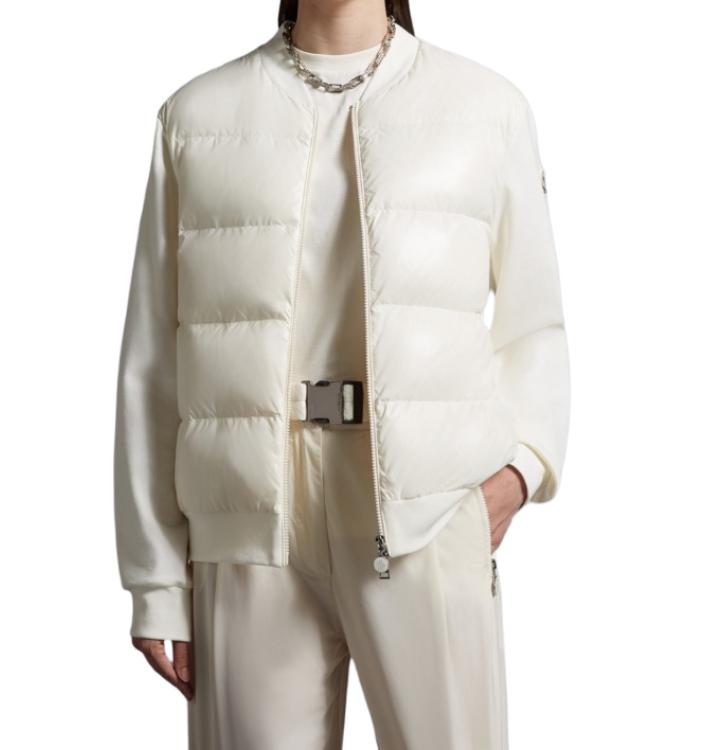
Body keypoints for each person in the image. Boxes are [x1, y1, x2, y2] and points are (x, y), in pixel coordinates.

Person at [113, 0, 571, 747]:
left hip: (425, 514)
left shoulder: (488, 108)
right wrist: (157, 580)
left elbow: (535, 324)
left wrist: (520, 471)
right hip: (249, 520)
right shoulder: (196, 116)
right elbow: (153, 363)